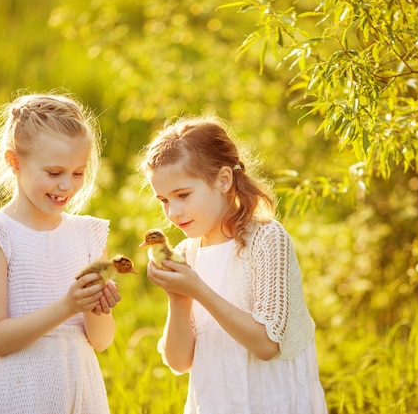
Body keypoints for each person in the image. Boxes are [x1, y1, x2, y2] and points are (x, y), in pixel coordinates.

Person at [139, 115, 328, 413]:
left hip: (272, 400)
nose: (173, 212)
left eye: (183, 195)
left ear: (223, 180)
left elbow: (267, 345)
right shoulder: (187, 254)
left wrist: (197, 289)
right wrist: (178, 298)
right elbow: (179, 362)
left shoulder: (265, 238)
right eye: (163, 200)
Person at [0, 92, 121, 414]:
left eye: (77, 173)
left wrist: (94, 307)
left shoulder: (88, 233)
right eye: (54, 172)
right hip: (19, 390)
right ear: (15, 162)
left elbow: (101, 341)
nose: (67, 186)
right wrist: (68, 305)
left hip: (79, 384)